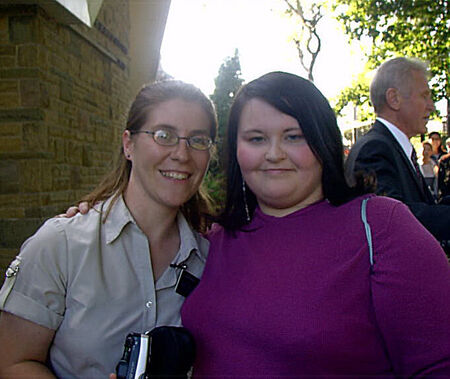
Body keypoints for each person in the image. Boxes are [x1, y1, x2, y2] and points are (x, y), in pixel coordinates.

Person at [181, 71, 450, 377]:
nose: (273, 153)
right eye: (256, 138)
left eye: (293, 136)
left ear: (323, 140)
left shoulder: (382, 228)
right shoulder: (212, 242)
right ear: (236, 150)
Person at [0, 80, 217, 377]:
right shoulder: (61, 245)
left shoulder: (212, 259)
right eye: (164, 135)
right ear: (128, 144)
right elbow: (12, 363)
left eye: (198, 140)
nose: (182, 153)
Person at [345, 57, 450, 254]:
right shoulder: (374, 149)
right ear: (394, 98)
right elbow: (395, 221)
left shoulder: (391, 147)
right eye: (425, 96)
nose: (431, 106)